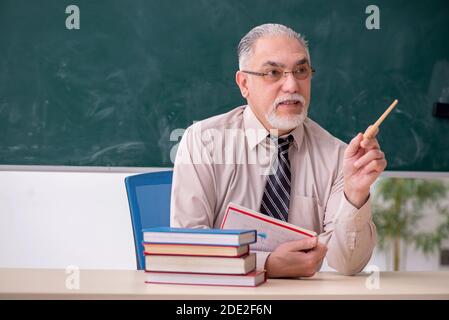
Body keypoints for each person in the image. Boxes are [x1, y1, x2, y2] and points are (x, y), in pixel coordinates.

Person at [170, 23, 386, 277]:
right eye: (273, 72)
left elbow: (348, 264)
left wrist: (355, 194)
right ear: (244, 83)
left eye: (301, 71)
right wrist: (266, 264)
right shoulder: (204, 142)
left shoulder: (338, 156)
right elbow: (187, 245)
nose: (292, 85)